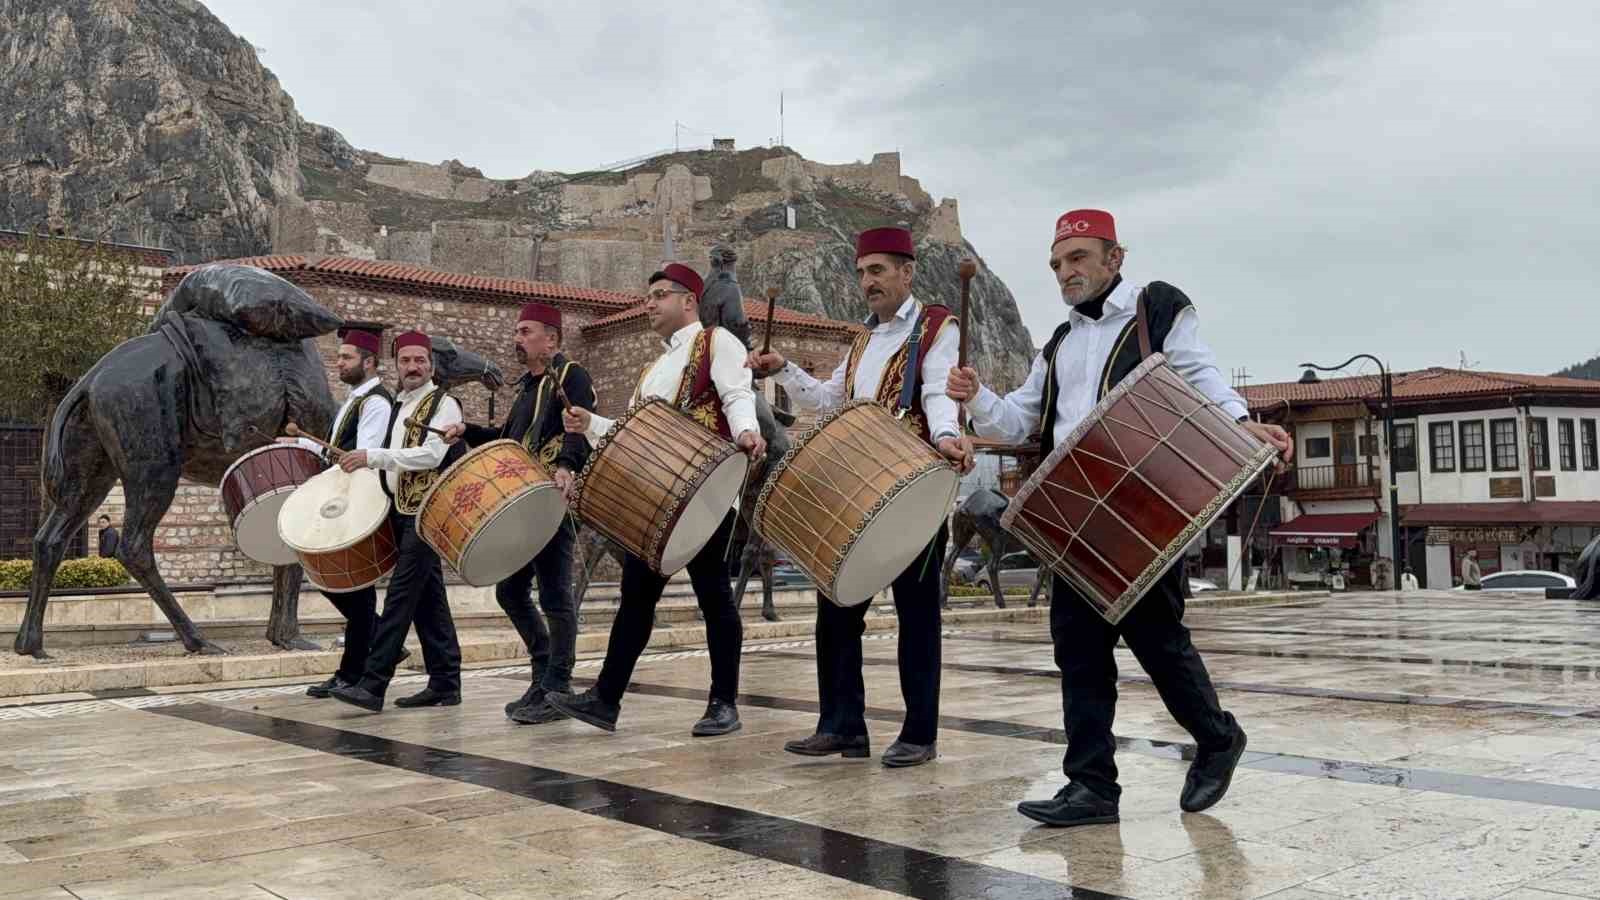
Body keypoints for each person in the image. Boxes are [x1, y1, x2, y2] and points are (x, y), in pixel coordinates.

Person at [945, 209, 1293, 825]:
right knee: (1077, 651)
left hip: (1142, 509)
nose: (1065, 272)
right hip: (1076, 519)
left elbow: (1198, 373)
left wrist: (1239, 423)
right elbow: (1019, 421)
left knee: (1158, 643)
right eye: (1057, 263)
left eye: (1078, 257)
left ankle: (1217, 738)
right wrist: (975, 398)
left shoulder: (1154, 308)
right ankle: (1092, 788)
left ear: (1115, 257)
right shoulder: (1058, 342)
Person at [746, 225, 972, 769]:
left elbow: (940, 390)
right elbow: (830, 399)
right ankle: (843, 726)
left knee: (918, 615)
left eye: (878, 270)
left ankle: (921, 733)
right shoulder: (863, 340)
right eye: (862, 272)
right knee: (836, 607)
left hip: (912, 490)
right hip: (855, 494)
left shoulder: (935, 327)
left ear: (907, 272)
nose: (867, 282)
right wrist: (786, 370)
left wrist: (945, 435)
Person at [547, 263, 765, 735]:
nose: (649, 304)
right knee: (635, 599)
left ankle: (724, 703)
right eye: (648, 297)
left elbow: (736, 394)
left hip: (706, 491)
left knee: (713, 596)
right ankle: (606, 699)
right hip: (656, 496)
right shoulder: (653, 368)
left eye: (659, 295)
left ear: (689, 301)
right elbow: (633, 436)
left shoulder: (717, 342)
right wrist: (592, 425)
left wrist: (747, 430)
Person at [442, 302, 595, 724]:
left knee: (554, 595)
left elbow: (578, 425)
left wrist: (566, 465)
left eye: (526, 331)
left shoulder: (571, 376)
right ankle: (543, 673)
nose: (517, 338)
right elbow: (507, 439)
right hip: (523, 500)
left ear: (552, 339)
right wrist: (467, 430)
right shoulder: (528, 386)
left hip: (552, 497)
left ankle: (558, 685)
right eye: (517, 331)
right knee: (510, 592)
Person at [332, 330, 466, 713]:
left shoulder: (444, 404)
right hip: (401, 510)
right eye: (406, 361)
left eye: (419, 360)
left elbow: (431, 455)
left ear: (431, 364)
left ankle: (373, 685)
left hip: (428, 513)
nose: (413, 367)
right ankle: (445, 682)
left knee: (400, 597)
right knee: (428, 601)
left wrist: (373, 457)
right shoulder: (401, 404)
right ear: (397, 365)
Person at [281, 328, 393, 699]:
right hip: (342, 496)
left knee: (354, 591)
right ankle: (371, 648)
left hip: (358, 500)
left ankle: (351, 673)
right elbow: (338, 448)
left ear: (369, 362)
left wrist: (326, 457)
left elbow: (364, 455)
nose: (339, 362)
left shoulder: (376, 401)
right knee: (341, 587)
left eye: (346, 357)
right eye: (340, 356)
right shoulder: (353, 399)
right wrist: (299, 443)